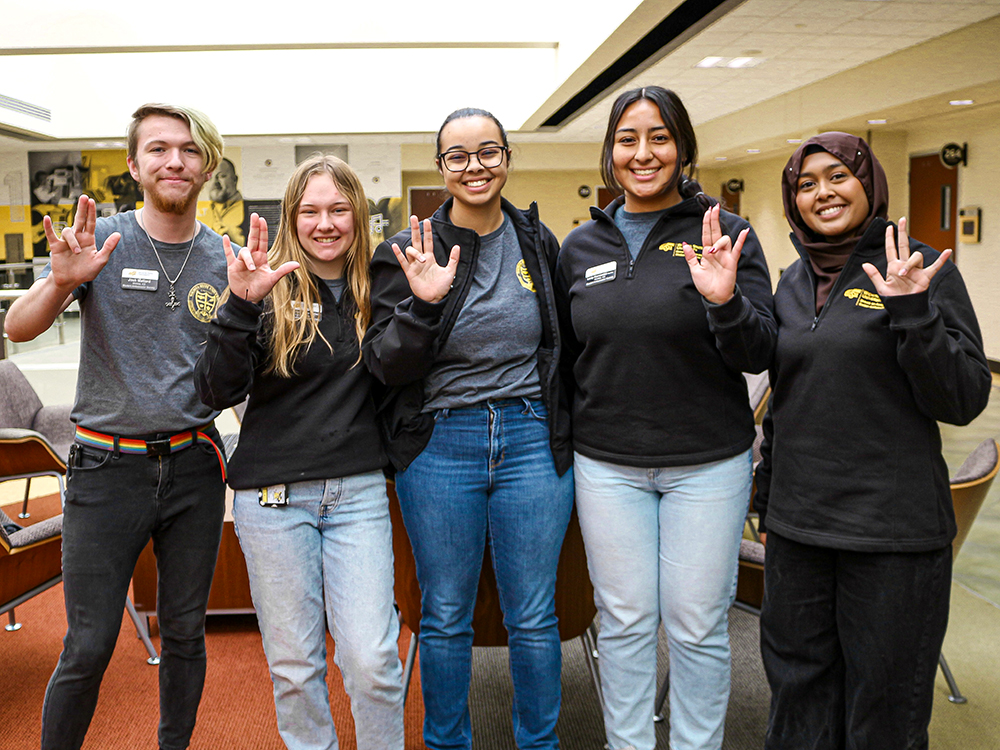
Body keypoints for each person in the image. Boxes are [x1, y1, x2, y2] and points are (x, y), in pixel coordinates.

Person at [554, 85, 776, 750]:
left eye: (659, 137)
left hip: (708, 463)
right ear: (610, 152)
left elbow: (762, 348)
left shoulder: (727, 233)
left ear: (682, 148)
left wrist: (725, 300)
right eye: (628, 138)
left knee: (697, 623)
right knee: (622, 621)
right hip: (607, 464)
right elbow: (565, 362)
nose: (643, 153)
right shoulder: (579, 246)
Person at [754, 132, 991, 750]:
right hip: (800, 530)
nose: (823, 192)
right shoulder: (790, 281)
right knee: (798, 700)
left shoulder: (921, 267)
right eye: (806, 184)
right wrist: (767, 502)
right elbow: (787, 400)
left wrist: (914, 311)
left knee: (882, 711)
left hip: (891, 534)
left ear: (869, 182)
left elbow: (964, 400)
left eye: (838, 176)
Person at [4, 104, 230, 750]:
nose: (175, 161)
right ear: (135, 165)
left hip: (194, 468)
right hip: (106, 471)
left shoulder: (226, 257)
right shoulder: (99, 240)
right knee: (89, 644)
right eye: (158, 149)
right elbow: (17, 327)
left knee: (185, 633)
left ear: (207, 164)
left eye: (188, 149)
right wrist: (59, 283)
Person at [362, 107, 573, 750]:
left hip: (531, 439)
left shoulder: (538, 242)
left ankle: (539, 743)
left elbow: (566, 343)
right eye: (458, 155)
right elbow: (384, 362)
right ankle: (445, 741)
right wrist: (423, 305)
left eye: (487, 152)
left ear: (507, 158)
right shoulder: (406, 250)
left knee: (533, 617)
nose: (474, 166)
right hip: (441, 444)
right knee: (445, 615)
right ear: (441, 167)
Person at [194, 154, 404, 749]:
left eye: (340, 209)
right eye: (310, 211)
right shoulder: (269, 286)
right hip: (273, 499)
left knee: (371, 660)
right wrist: (239, 305)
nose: (326, 223)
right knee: (295, 667)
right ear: (291, 217)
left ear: (359, 215)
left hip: (358, 492)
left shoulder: (380, 284)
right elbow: (214, 391)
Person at [205, 157, 245, 244]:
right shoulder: (200, 211)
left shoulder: (248, 209)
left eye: (221, 176)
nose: (215, 182)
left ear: (235, 179)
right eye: (210, 177)